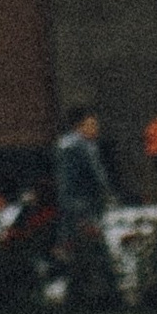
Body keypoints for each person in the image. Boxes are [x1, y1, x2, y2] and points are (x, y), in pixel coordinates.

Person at [51, 106, 116, 301]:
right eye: (91, 125)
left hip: (77, 205)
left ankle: (78, 293)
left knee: (78, 251)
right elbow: (91, 179)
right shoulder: (78, 147)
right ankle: (97, 294)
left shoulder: (72, 146)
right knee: (89, 249)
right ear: (78, 126)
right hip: (83, 206)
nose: (95, 129)